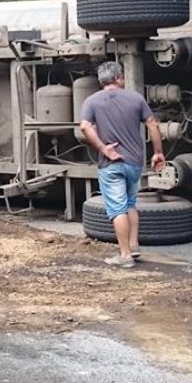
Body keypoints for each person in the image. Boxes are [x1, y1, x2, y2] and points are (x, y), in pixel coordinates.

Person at [79, 61, 165, 268]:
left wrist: (103, 148)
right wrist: (158, 153)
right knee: (130, 204)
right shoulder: (136, 98)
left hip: (111, 163)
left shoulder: (91, 101)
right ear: (118, 78)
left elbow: (84, 127)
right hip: (134, 162)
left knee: (117, 209)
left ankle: (125, 256)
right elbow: (152, 124)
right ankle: (134, 247)